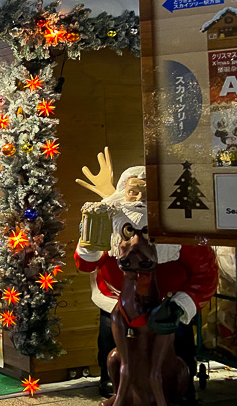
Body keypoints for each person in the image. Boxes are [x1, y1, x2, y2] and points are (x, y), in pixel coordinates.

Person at [75, 164, 218, 401]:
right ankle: (112, 384)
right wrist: (88, 244)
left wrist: (179, 307)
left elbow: (205, 274)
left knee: (178, 340)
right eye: (134, 191)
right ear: (122, 194)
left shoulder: (182, 231)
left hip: (167, 301)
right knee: (109, 341)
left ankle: (181, 388)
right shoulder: (107, 225)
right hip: (115, 298)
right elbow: (86, 264)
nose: (141, 199)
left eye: (148, 192)